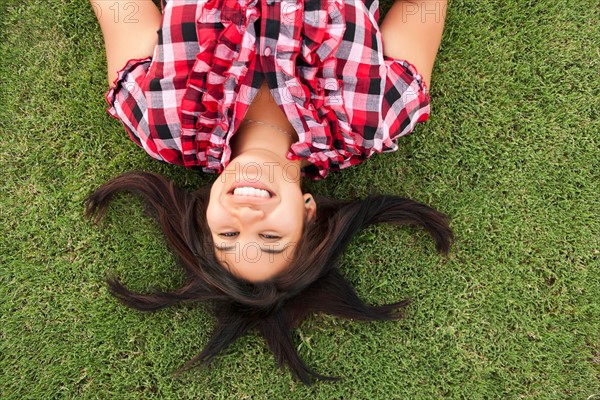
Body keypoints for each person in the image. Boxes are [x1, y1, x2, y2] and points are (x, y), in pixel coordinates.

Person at [86, 0, 451, 384]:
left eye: (228, 234)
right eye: (270, 236)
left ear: (206, 214)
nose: (246, 216)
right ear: (308, 212)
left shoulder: (161, 124)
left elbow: (120, 10)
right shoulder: (372, 119)